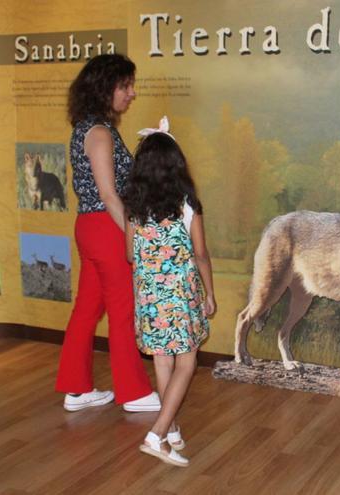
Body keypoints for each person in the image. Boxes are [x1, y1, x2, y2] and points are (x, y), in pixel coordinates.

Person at [55, 54, 160, 413]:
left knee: (87, 309)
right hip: (106, 226)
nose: (131, 93)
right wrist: (136, 235)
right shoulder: (98, 132)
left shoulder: (88, 126)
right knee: (121, 310)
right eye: (125, 86)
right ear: (105, 88)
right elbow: (109, 194)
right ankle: (133, 393)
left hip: (91, 226)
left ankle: (76, 388)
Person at [123, 119, 216, 467]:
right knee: (187, 361)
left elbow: (130, 255)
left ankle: (172, 428)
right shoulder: (187, 205)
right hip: (180, 297)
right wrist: (209, 292)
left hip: (148, 298)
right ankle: (157, 433)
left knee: (163, 360)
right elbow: (201, 254)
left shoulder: (133, 208)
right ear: (177, 166)